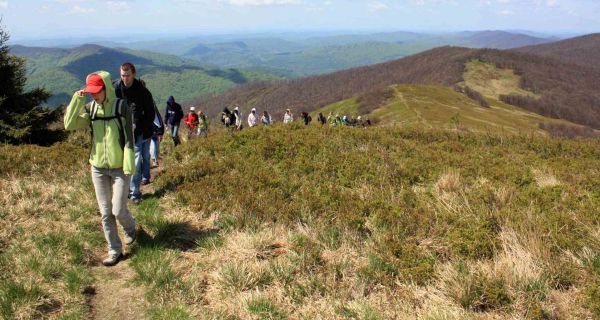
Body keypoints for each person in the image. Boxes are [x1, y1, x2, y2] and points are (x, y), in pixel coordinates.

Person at [64, 71, 137, 267]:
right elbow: (69, 124)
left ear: (106, 88)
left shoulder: (121, 107)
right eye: (91, 92)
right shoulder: (90, 109)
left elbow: (130, 137)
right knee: (105, 212)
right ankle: (114, 250)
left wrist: (129, 164)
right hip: (97, 167)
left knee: (119, 209)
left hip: (120, 167)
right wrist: (77, 100)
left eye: (97, 91)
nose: (94, 95)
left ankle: (131, 229)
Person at [114, 62, 155, 202]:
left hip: (136, 134)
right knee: (120, 164)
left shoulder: (143, 92)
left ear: (134, 74)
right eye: (122, 75)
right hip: (118, 133)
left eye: (128, 75)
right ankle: (123, 191)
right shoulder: (115, 89)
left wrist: (138, 127)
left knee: (135, 164)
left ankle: (135, 193)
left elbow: (150, 114)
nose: (125, 78)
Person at [150, 103, 164, 168]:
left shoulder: (157, 116)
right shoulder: (148, 115)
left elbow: (161, 125)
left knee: (157, 149)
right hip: (151, 135)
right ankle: (154, 161)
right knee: (153, 147)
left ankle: (155, 160)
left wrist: (161, 134)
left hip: (157, 135)